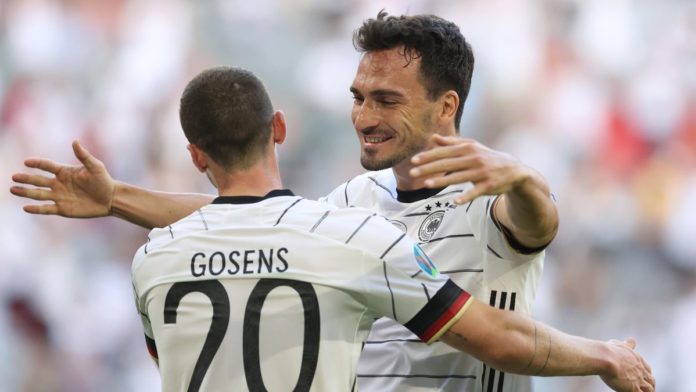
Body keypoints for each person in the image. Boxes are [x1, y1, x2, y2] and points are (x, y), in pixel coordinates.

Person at [7, 12, 626, 392]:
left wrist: (520, 176)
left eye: (386, 100)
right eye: (359, 96)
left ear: (446, 107)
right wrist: (116, 197)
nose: (362, 115)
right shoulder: (355, 204)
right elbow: (248, 219)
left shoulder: (493, 198)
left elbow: (538, 220)